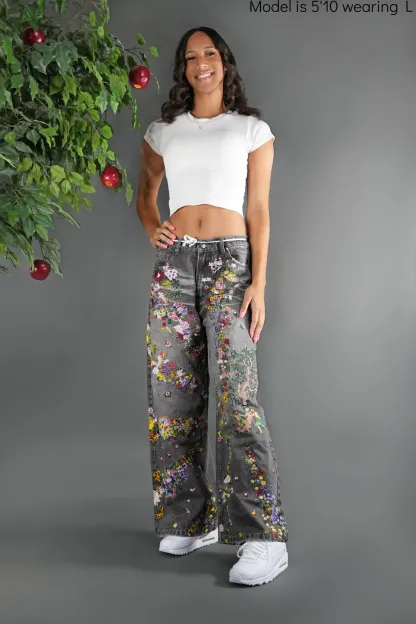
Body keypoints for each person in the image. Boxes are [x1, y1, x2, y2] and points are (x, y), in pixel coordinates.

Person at [137, 26, 288, 587]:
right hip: (175, 266)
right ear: (183, 68)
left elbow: (259, 209)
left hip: (230, 263)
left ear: (224, 62)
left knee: (237, 397)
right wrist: (154, 229)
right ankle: (189, 519)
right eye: (190, 57)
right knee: (170, 393)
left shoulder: (251, 129)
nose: (201, 63)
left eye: (209, 54)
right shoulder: (163, 131)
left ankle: (263, 537)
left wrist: (260, 283)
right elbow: (145, 194)